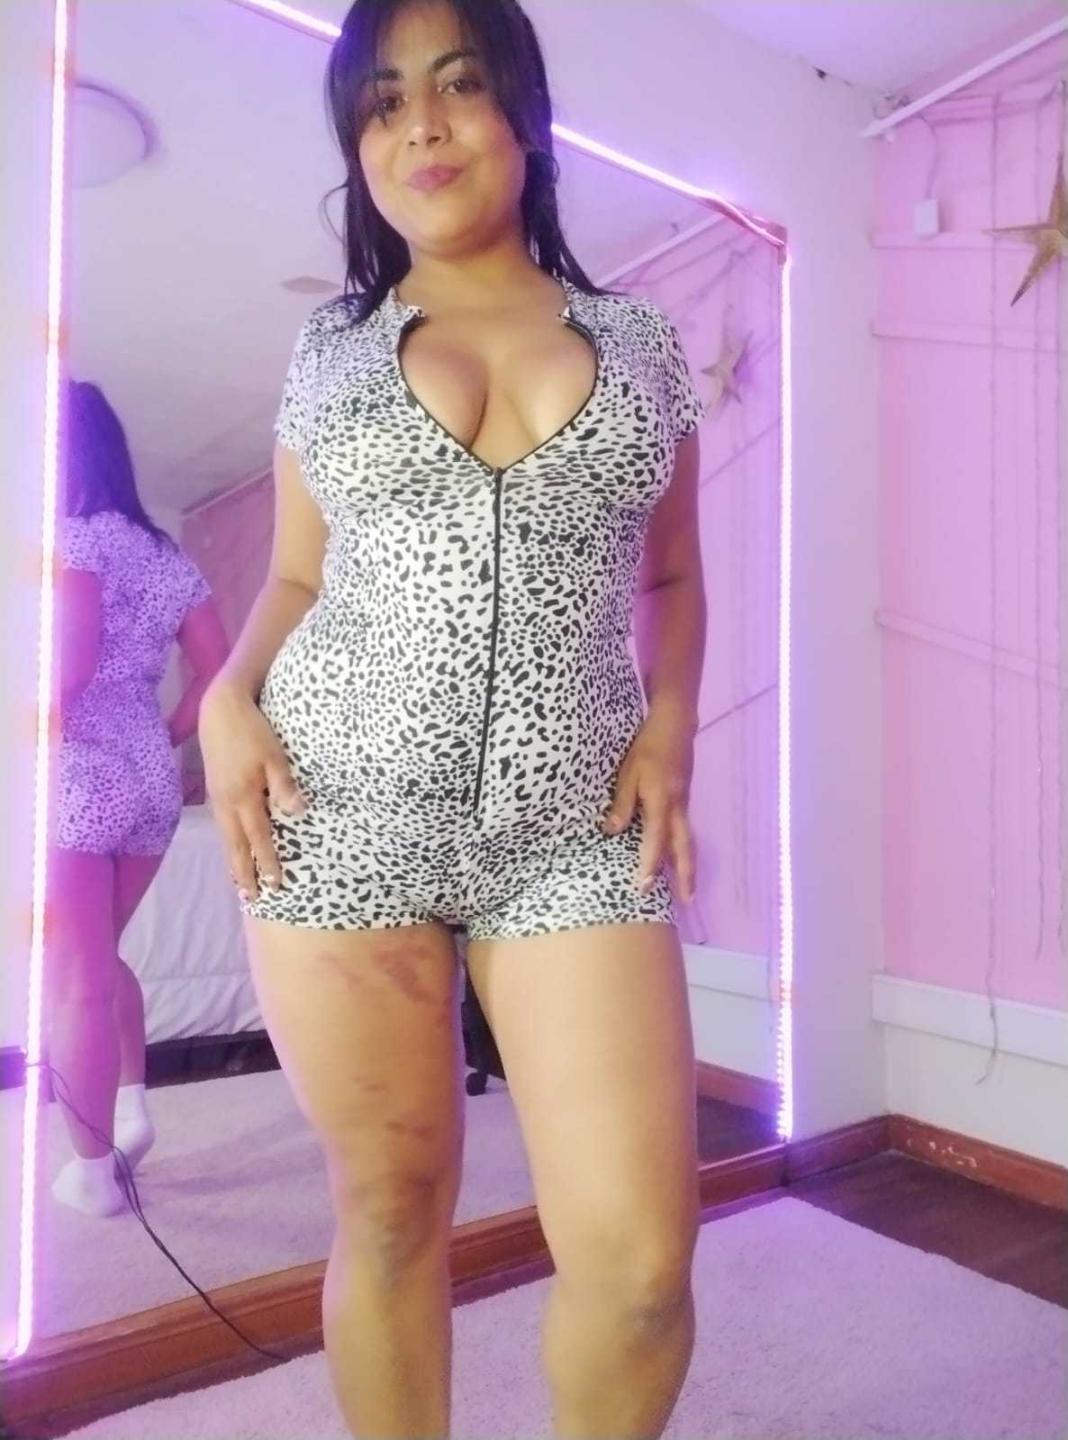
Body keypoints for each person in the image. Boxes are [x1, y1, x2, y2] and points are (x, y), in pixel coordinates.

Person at [198, 0, 707, 1435]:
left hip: (575, 834)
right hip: (336, 818)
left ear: (522, 114)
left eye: (457, 83)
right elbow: (295, 576)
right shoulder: (331, 348)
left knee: (642, 1270)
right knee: (391, 1207)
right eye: (381, 102)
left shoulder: (641, 342)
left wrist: (671, 728)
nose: (418, 123)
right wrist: (227, 697)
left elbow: (673, 576)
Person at [47, 380, 229, 1217]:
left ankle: (91, 1172)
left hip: (75, 764)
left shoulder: (70, 539)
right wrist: (164, 735)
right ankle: (131, 1105)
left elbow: (69, 668)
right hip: (147, 769)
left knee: (75, 975)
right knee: (99, 957)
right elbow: (219, 671)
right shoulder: (166, 559)